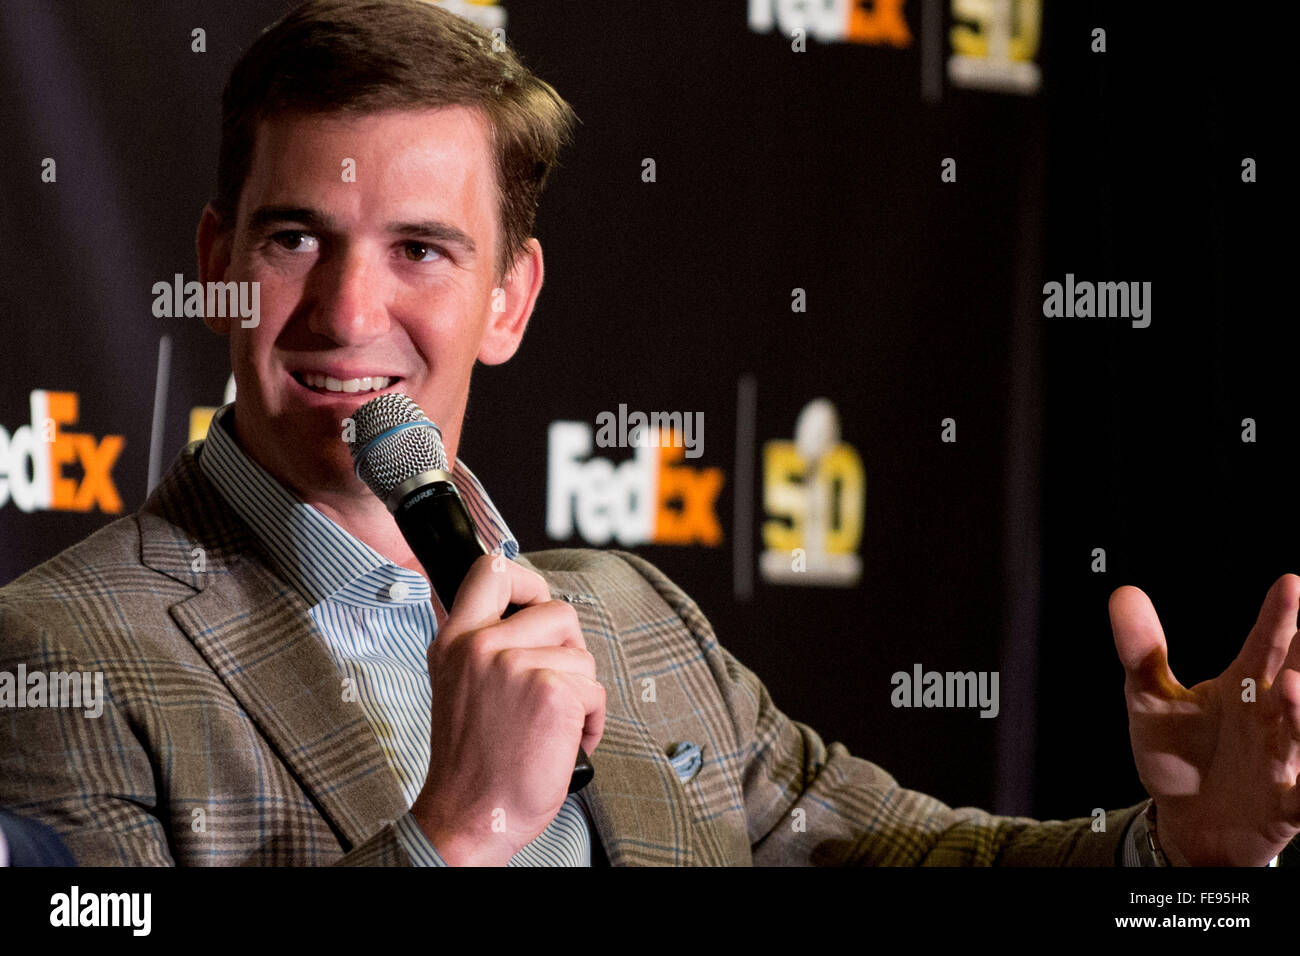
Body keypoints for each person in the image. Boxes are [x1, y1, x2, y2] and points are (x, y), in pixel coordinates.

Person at [1, 0, 1297, 867]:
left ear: (509, 299)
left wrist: (1177, 849)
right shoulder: (61, 661)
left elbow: (907, 856)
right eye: (297, 241)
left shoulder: (633, 616)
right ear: (219, 261)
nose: (350, 312)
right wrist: (455, 833)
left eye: (422, 251)